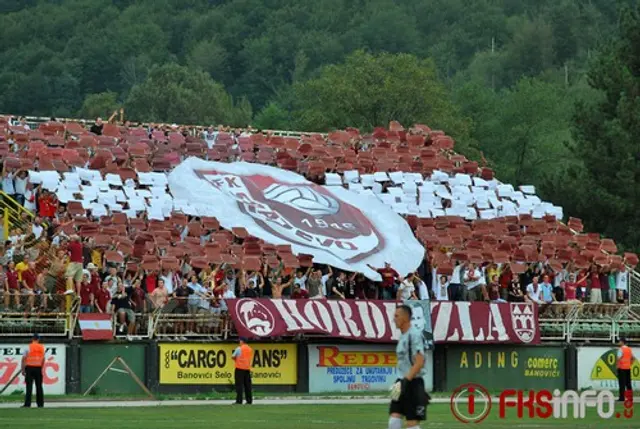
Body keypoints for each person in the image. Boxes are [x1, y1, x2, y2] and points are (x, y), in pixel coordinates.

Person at [388, 305, 430, 429]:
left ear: (405, 317)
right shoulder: (403, 336)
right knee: (394, 418)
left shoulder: (415, 335)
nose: (394, 319)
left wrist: (406, 381)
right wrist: (400, 383)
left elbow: (419, 361)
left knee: (412, 422)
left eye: (396, 316)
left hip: (412, 382)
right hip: (399, 382)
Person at [21, 334, 45, 408]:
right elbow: (43, 359)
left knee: (29, 387)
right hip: (38, 368)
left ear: (32, 339)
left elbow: (24, 359)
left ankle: (27, 404)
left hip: (29, 368)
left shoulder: (28, 347)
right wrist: (41, 367)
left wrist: (23, 369)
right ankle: (40, 404)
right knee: (39, 387)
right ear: (38, 339)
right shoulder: (42, 347)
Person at [232, 337, 253, 405]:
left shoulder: (239, 348)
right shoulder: (250, 349)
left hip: (239, 368)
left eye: (240, 341)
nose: (239, 342)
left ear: (242, 341)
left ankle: (239, 401)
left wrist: (237, 360)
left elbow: (233, 356)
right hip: (247, 369)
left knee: (239, 385)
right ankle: (249, 400)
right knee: (248, 385)